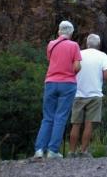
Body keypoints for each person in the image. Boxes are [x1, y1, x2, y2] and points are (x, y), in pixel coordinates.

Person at [34, 21, 82, 159]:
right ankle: (52, 151)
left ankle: (39, 150)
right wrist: (73, 71)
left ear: (59, 31)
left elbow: (52, 61)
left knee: (47, 117)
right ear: (71, 33)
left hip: (50, 82)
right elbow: (77, 66)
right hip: (67, 84)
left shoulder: (51, 44)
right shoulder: (74, 45)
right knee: (60, 117)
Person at [68, 34, 107, 158]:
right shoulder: (102, 56)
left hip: (78, 93)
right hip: (95, 94)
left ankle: (71, 152)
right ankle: (83, 151)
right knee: (89, 124)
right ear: (98, 45)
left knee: (75, 124)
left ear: (87, 43)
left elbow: (72, 70)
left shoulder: (79, 54)